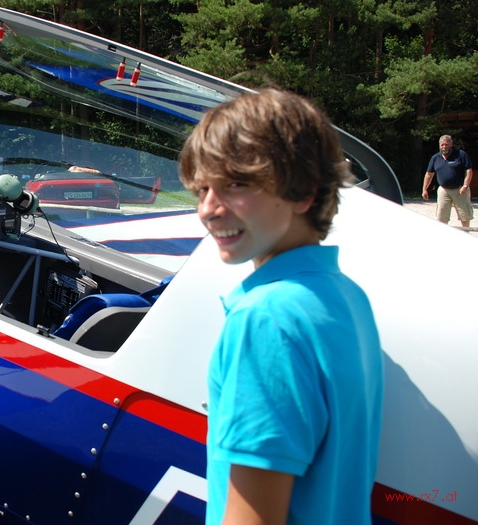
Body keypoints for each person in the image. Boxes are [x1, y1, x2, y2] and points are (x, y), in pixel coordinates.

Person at [178, 88, 383, 525]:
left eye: (235, 184)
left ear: (303, 191)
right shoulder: (347, 296)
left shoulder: (265, 319)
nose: (208, 210)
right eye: (202, 189)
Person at [422, 135, 473, 227]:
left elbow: (469, 171)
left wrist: (465, 185)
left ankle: (466, 234)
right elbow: (429, 174)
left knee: (464, 216)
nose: (444, 147)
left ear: (451, 144)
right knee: (441, 217)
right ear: (439, 145)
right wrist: (424, 189)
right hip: (443, 190)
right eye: (442, 145)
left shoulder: (461, 154)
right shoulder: (435, 158)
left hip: (460, 189)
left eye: (446, 144)